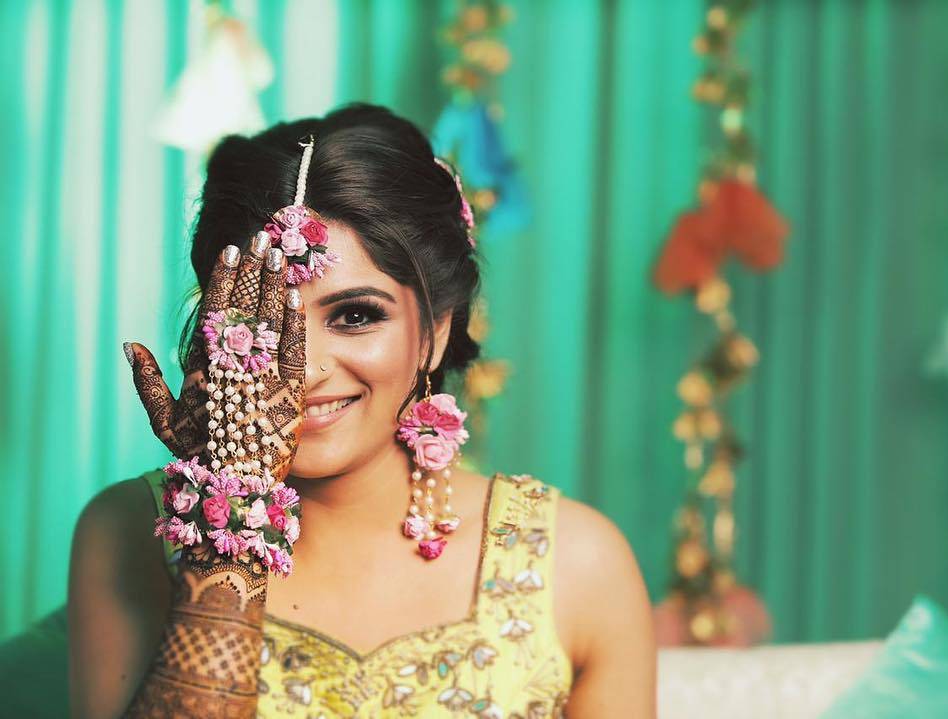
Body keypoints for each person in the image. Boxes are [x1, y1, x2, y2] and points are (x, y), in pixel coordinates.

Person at [66, 103, 656, 718]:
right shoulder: (129, 531)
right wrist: (230, 518)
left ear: (434, 330)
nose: (307, 368)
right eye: (267, 320)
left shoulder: (577, 564)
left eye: (354, 316)